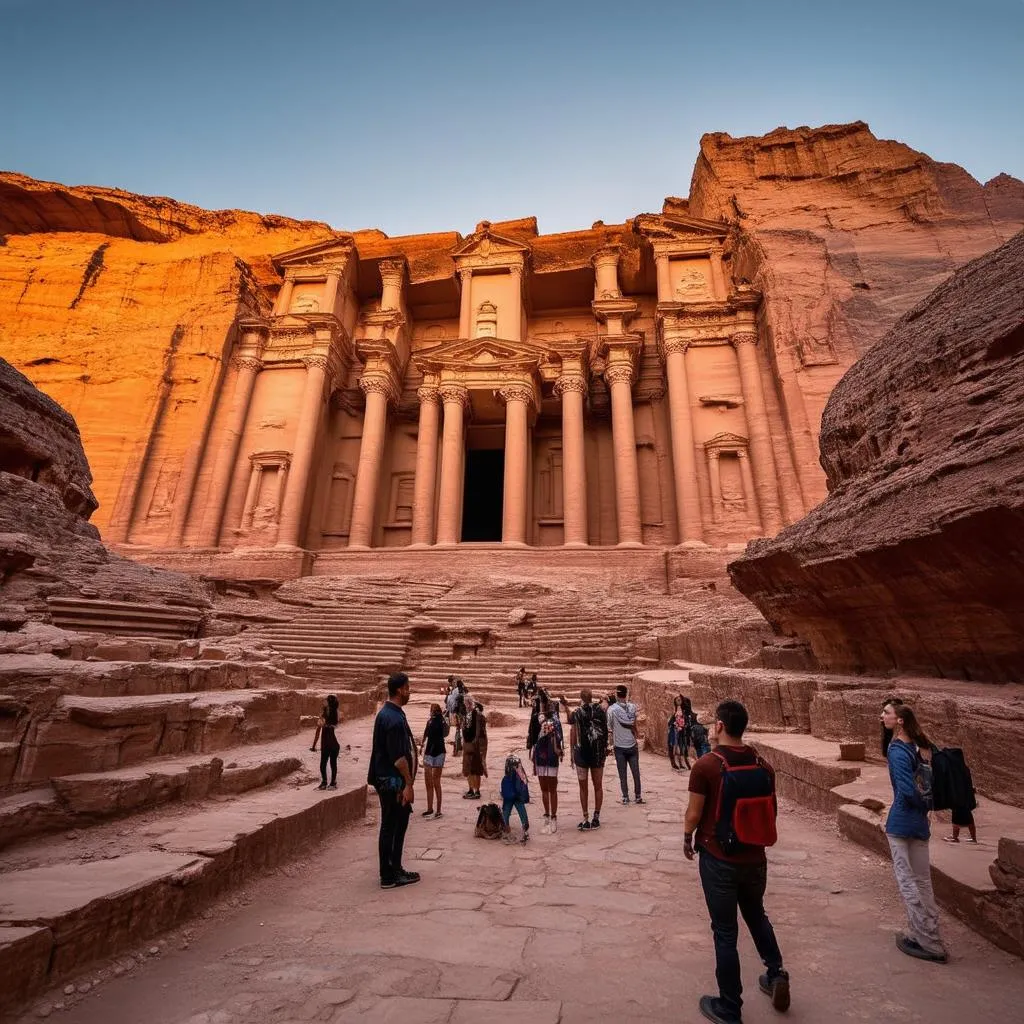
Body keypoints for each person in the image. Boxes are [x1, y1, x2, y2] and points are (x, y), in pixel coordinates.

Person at [683, 699, 788, 1024]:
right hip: (755, 857)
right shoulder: (763, 765)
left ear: (719, 726)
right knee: (756, 915)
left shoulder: (706, 766)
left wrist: (687, 836)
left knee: (725, 932)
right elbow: (771, 811)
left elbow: (695, 814)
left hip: (718, 857)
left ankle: (730, 1007)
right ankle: (776, 974)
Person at [881, 701, 947, 963]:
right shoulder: (923, 749)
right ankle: (930, 934)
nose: (882, 716)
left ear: (900, 721)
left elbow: (907, 792)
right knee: (923, 881)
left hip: (901, 823)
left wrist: (919, 805)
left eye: (886, 712)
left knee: (908, 881)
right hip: (920, 823)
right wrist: (926, 808)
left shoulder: (897, 750)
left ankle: (925, 940)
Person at [367, 672, 420, 889]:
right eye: (408, 688)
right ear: (400, 690)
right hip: (393, 782)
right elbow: (399, 759)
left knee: (397, 824)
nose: (410, 691)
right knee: (391, 825)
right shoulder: (394, 719)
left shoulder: (390, 713)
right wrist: (408, 784)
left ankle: (395, 868)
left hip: (389, 780)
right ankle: (388, 875)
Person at [568, 689, 608, 831]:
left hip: (582, 754)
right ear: (591, 698)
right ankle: (596, 818)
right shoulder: (600, 710)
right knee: (598, 786)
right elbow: (605, 729)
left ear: (581, 698)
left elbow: (570, 722)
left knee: (583, 787)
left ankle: (585, 818)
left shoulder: (577, 712)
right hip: (597, 753)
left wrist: (566, 706)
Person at [529, 692, 563, 833]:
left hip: (551, 755)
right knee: (544, 787)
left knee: (552, 787)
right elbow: (531, 736)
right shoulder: (536, 718)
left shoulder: (555, 720)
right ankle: (547, 815)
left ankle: (553, 816)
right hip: (540, 755)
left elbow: (559, 736)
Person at [608, 684, 644, 804]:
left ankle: (625, 796)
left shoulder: (612, 710)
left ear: (617, 695)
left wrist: (610, 743)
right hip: (632, 744)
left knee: (622, 774)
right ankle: (638, 796)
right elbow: (634, 724)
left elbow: (610, 727)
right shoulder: (633, 708)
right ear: (626, 694)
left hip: (620, 746)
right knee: (636, 772)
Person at [420, 702, 448, 818]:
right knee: (435, 782)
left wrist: (421, 746)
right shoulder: (440, 721)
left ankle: (432, 808)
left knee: (430, 783)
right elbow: (444, 734)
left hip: (431, 752)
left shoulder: (433, 721)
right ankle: (436, 810)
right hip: (438, 752)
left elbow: (425, 735)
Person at [501, 754, 531, 843]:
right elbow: (524, 790)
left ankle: (506, 829)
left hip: (509, 797)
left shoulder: (506, 779)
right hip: (517, 796)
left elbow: (503, 792)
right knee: (522, 811)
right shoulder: (521, 777)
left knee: (506, 812)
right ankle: (525, 830)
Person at [314, 694, 341, 790]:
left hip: (326, 744)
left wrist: (313, 746)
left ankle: (324, 782)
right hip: (334, 744)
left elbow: (317, 733)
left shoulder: (323, 717)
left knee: (323, 764)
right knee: (333, 764)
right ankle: (333, 783)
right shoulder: (335, 715)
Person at [461, 700, 487, 799]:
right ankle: (473, 790)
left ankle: (475, 790)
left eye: (467, 704)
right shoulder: (468, 716)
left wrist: (475, 744)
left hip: (474, 745)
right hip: (470, 744)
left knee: (474, 769)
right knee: (470, 769)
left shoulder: (477, 716)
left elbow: (478, 732)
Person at [669, 694, 693, 770]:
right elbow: (671, 722)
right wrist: (675, 725)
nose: (678, 701)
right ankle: (676, 763)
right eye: (677, 700)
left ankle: (683, 763)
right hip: (676, 731)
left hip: (683, 731)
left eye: (679, 700)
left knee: (683, 747)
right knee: (676, 747)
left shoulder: (684, 712)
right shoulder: (676, 712)